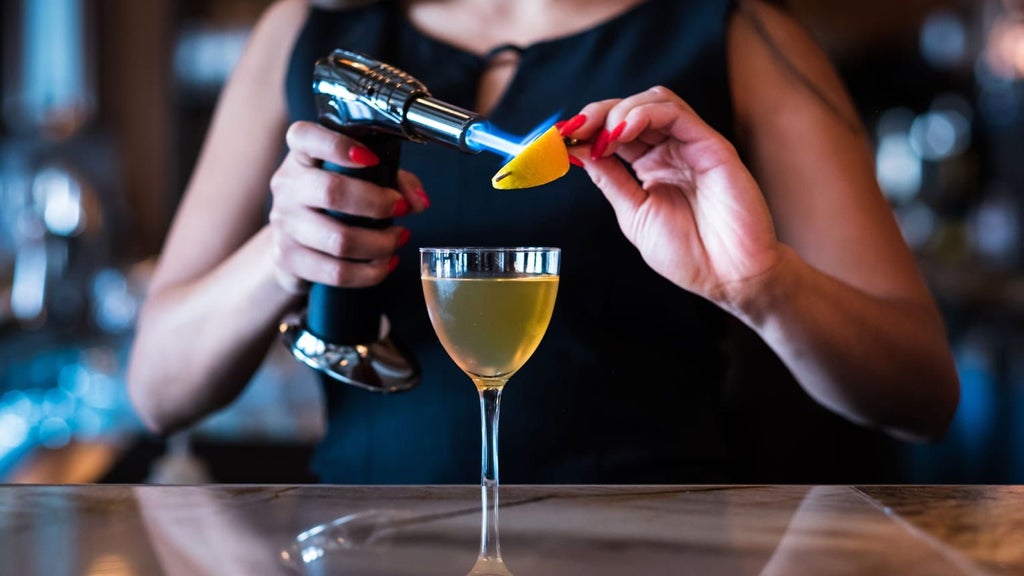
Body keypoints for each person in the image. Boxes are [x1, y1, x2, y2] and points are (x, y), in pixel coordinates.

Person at [127, 0, 960, 483]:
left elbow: (921, 394)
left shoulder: (735, 34)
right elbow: (157, 390)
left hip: (654, 552)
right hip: (366, 543)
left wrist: (760, 286)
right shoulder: (308, 29)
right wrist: (282, 255)